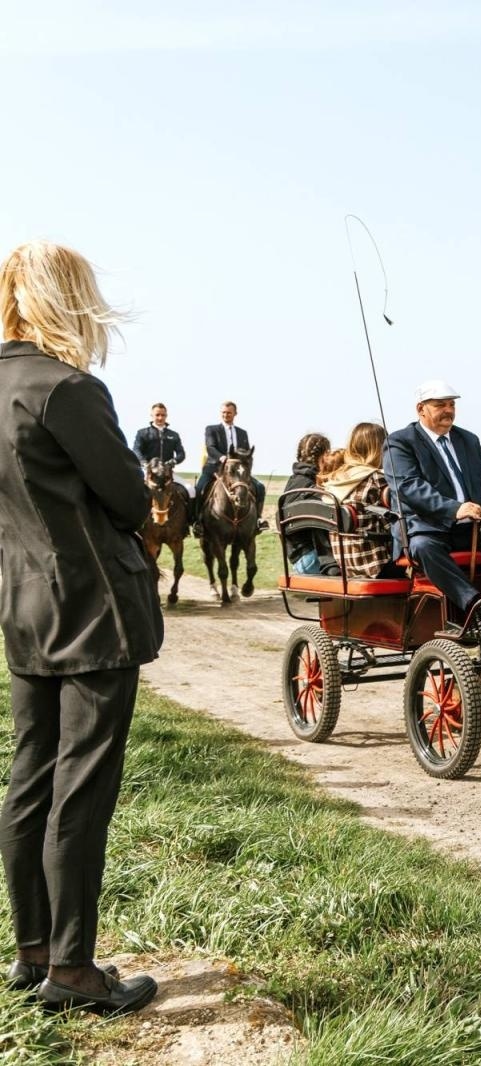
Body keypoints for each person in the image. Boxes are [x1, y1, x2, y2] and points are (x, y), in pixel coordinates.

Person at [0, 241, 162, 1015]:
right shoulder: (69, 388)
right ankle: (73, 972)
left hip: (25, 607)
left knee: (29, 774)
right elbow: (130, 501)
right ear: (71, 298)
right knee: (82, 787)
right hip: (95, 612)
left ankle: (32, 951)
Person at [384, 380, 481, 618]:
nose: (448, 410)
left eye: (451, 405)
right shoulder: (400, 442)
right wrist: (454, 509)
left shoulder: (468, 440)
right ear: (421, 409)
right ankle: (475, 606)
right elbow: (408, 487)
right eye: (440, 405)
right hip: (426, 528)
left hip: (473, 527)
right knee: (424, 547)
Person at [322, 423, 397, 578]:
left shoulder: (336, 478)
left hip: (345, 565)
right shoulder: (377, 478)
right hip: (377, 566)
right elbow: (394, 523)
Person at [193, 401, 266, 533]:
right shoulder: (211, 429)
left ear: (235, 414)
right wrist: (223, 458)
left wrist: (246, 468)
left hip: (237, 473)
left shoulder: (242, 433)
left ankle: (258, 520)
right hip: (214, 469)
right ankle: (197, 521)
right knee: (199, 489)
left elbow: (246, 453)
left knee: (260, 487)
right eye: (224, 412)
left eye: (229, 413)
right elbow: (210, 447)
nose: (226, 415)